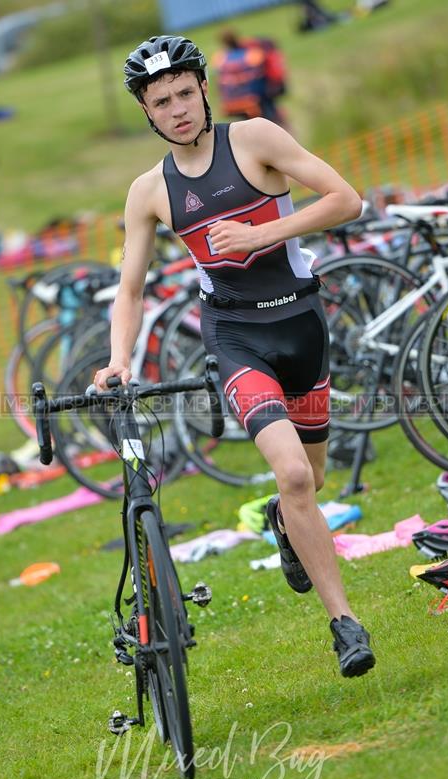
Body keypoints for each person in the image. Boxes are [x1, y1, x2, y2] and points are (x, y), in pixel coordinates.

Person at [95, 35, 376, 679]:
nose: (177, 111)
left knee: (310, 479)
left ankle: (283, 517)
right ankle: (345, 625)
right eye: (160, 102)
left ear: (203, 90)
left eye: (185, 95)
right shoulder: (149, 191)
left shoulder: (256, 140)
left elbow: (346, 199)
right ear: (146, 110)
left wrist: (263, 232)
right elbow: (131, 288)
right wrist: (119, 358)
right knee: (296, 475)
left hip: (302, 324)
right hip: (236, 336)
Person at [212, 30, 288, 127]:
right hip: (258, 100)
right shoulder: (252, 54)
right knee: (274, 123)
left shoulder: (220, 59)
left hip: (233, 103)